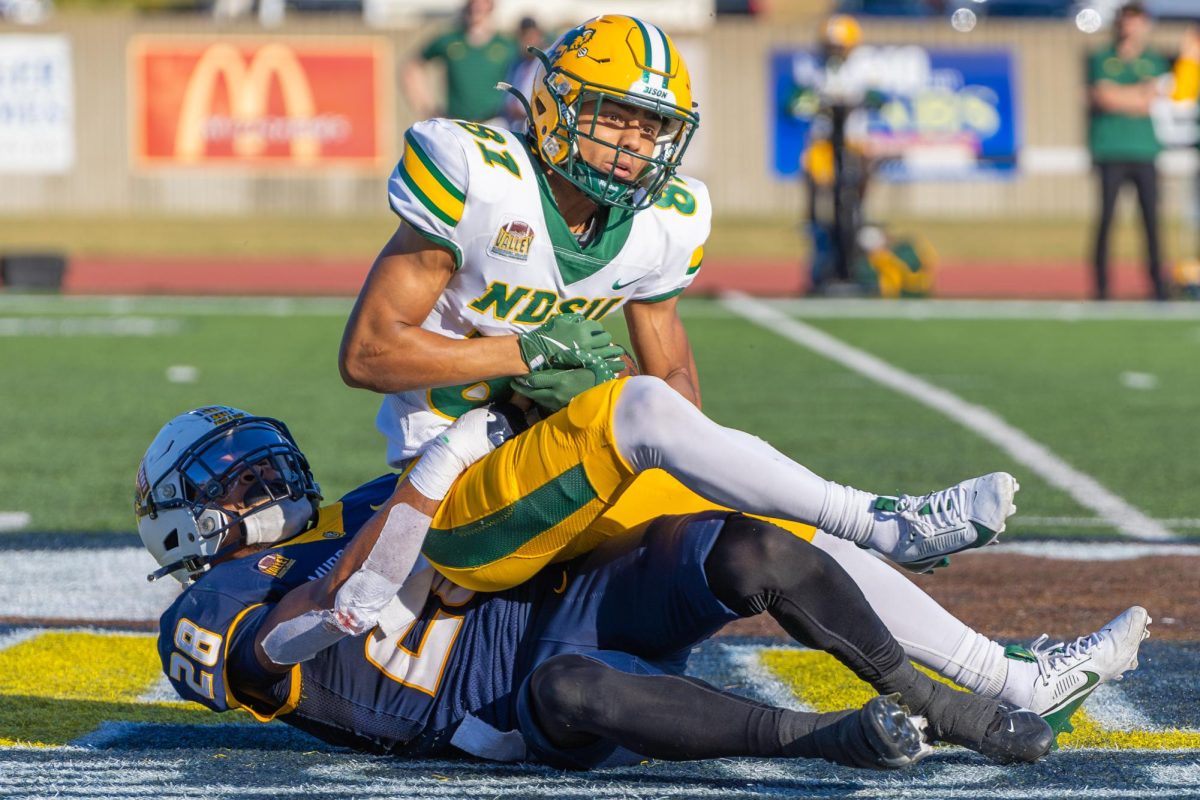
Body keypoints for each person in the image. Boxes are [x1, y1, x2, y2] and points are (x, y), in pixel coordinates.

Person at [339, 13, 1148, 743]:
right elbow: (369, 353)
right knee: (644, 409)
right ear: (553, 105)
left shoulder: (658, 225)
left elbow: (677, 395)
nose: (632, 142)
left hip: (564, 483)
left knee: (777, 520)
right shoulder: (481, 179)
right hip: (456, 495)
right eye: (614, 115)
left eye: (651, 126)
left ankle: (1013, 680)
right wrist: (528, 355)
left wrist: (703, 478)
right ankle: (879, 519)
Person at [137, 404, 1066, 767]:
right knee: (572, 686)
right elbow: (323, 621)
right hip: (499, 708)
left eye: (273, 472)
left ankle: (942, 703)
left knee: (753, 551)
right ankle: (833, 738)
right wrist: (436, 470)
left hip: (571, 598)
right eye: (245, 486)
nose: (274, 493)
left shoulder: (360, 507)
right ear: (186, 524)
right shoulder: (204, 609)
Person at [1087, 1, 1170, 301]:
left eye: (1135, 21)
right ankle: (1102, 287)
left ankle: (1158, 287)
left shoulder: (1153, 59)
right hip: (1110, 150)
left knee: (1151, 222)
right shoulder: (1101, 58)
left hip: (1144, 151)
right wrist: (1134, 94)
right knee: (1107, 219)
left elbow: (1149, 101)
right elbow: (1104, 98)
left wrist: (1123, 96)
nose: (1129, 27)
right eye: (1125, 20)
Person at [402, 0, 517, 124]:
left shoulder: (507, 45)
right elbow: (411, 68)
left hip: (495, 123)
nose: (477, 6)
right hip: (457, 124)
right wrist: (426, 108)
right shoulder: (450, 40)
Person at [503, 16, 547, 133]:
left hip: (536, 127)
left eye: (532, 36)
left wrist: (523, 111)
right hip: (513, 124)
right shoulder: (518, 64)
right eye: (524, 36)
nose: (528, 41)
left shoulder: (546, 63)